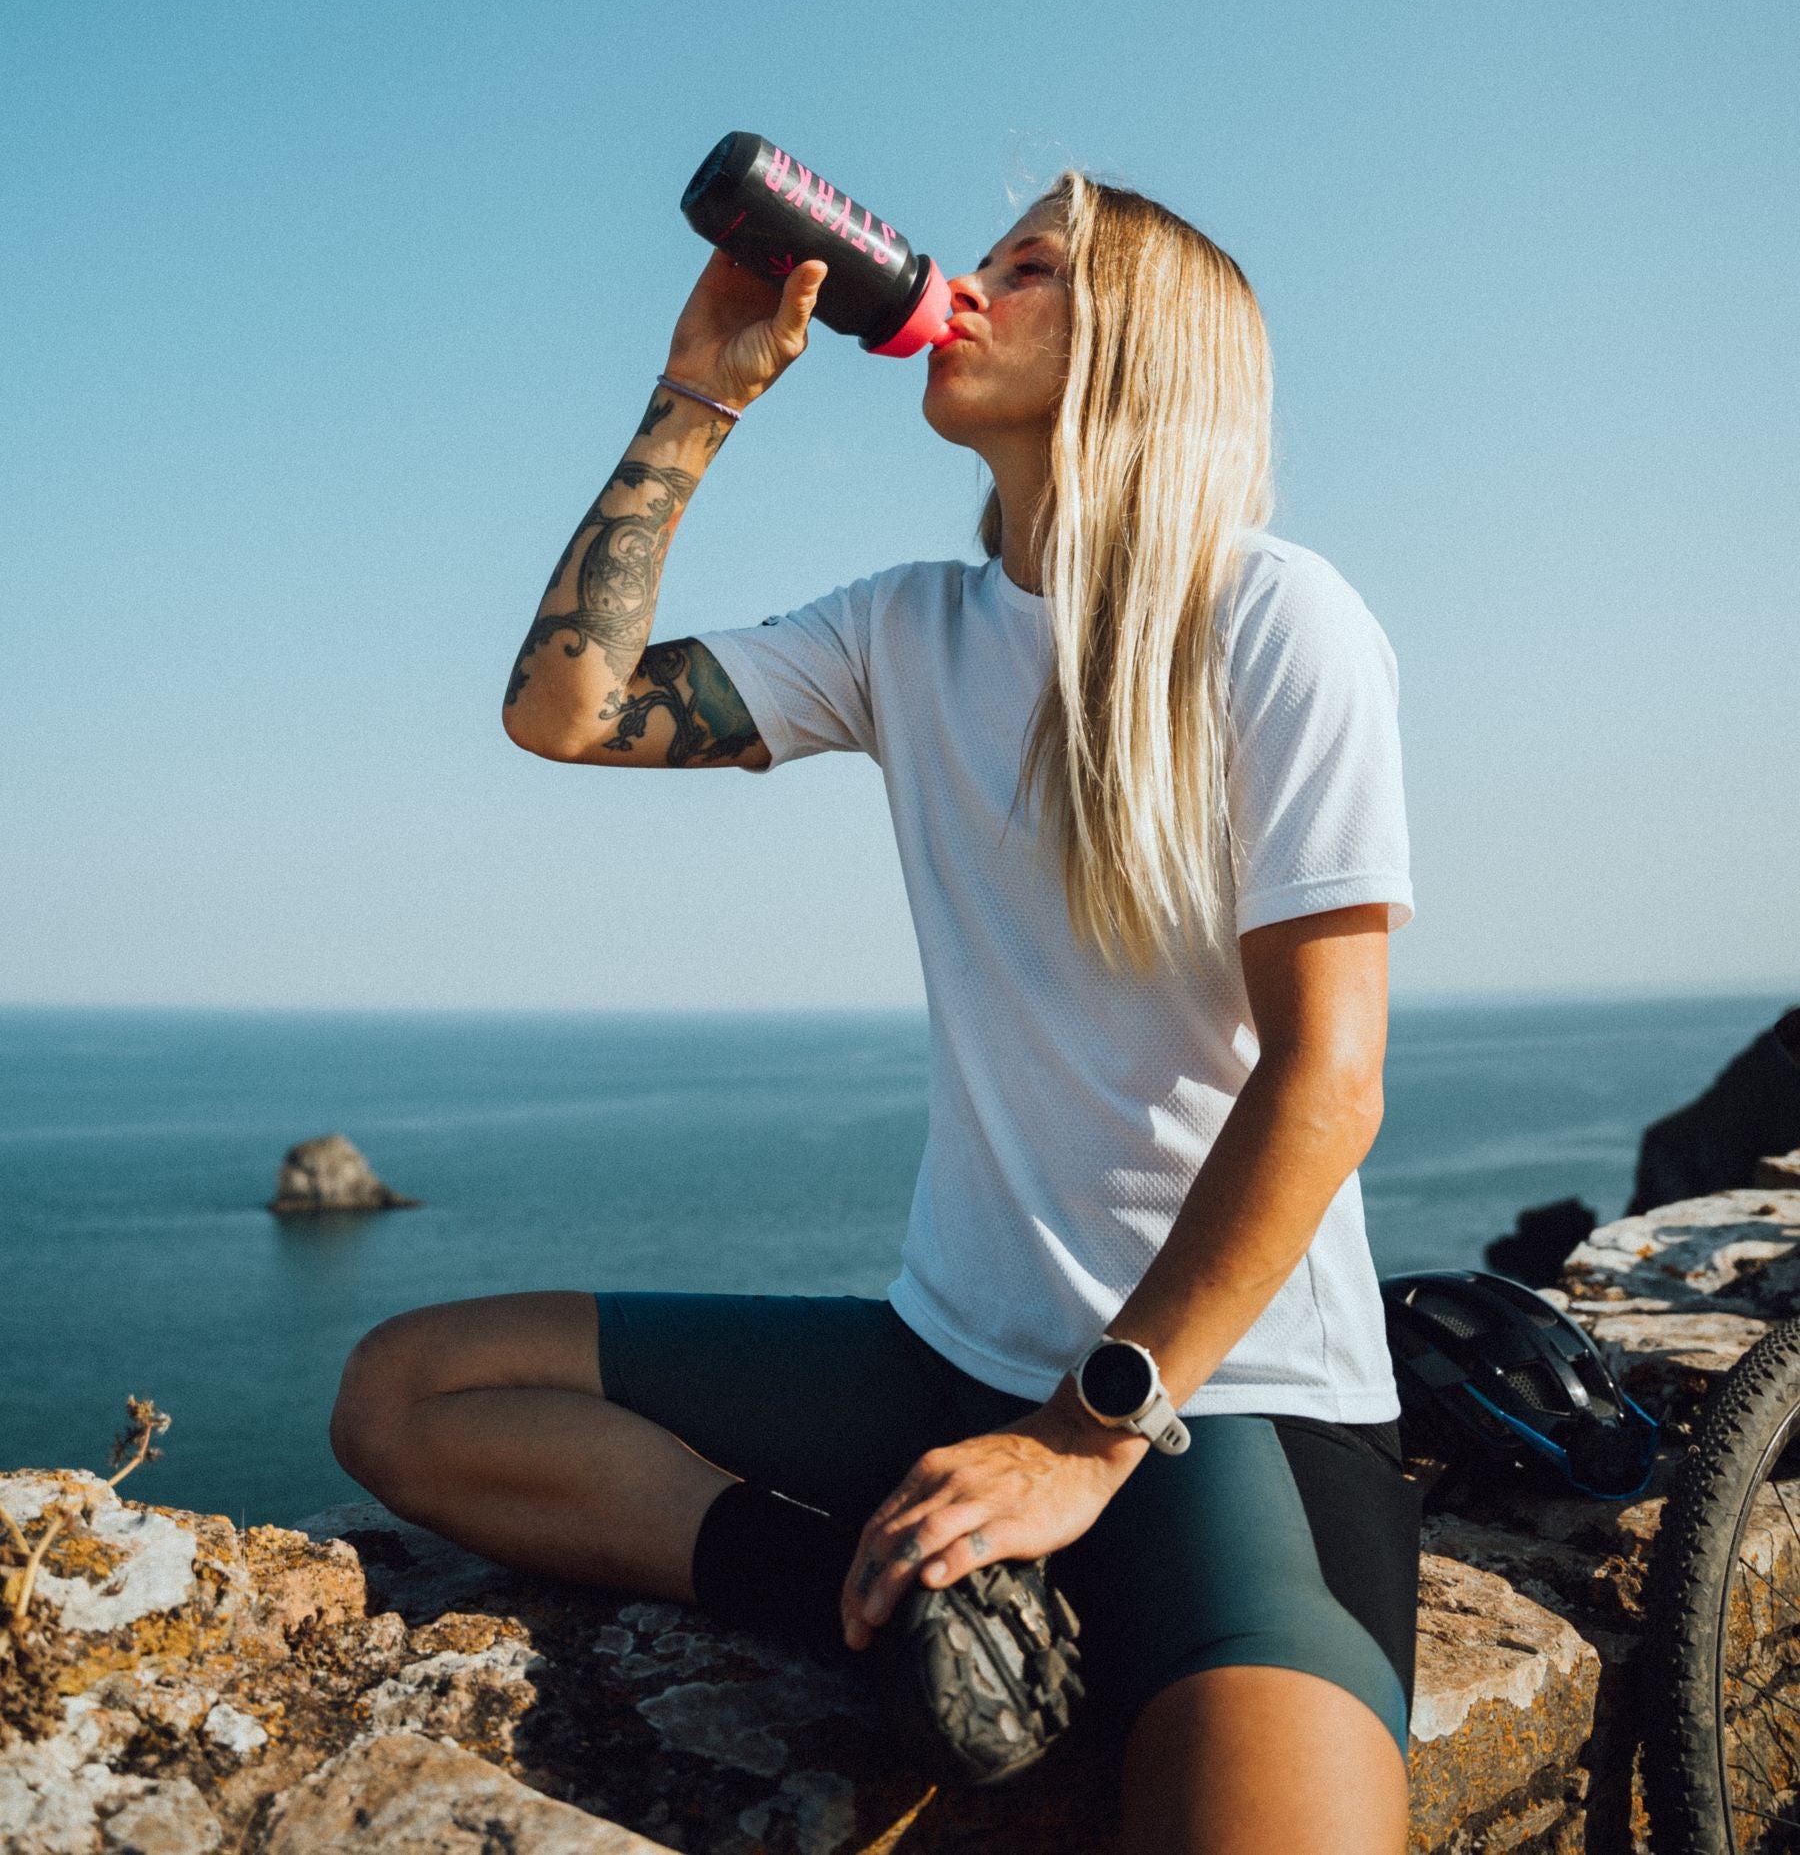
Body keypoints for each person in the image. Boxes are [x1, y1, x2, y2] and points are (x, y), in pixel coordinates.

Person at [330, 171, 1421, 1855]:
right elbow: (563, 710)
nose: (965, 292)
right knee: (409, 1394)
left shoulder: (1278, 620)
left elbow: (1328, 1084)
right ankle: (877, 1593)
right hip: (944, 1371)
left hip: (1227, 1404)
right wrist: (700, 393)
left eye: (1032, 269)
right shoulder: (908, 627)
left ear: (1148, 349)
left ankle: (1031, 1575)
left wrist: (1082, 1437)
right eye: (973, 263)